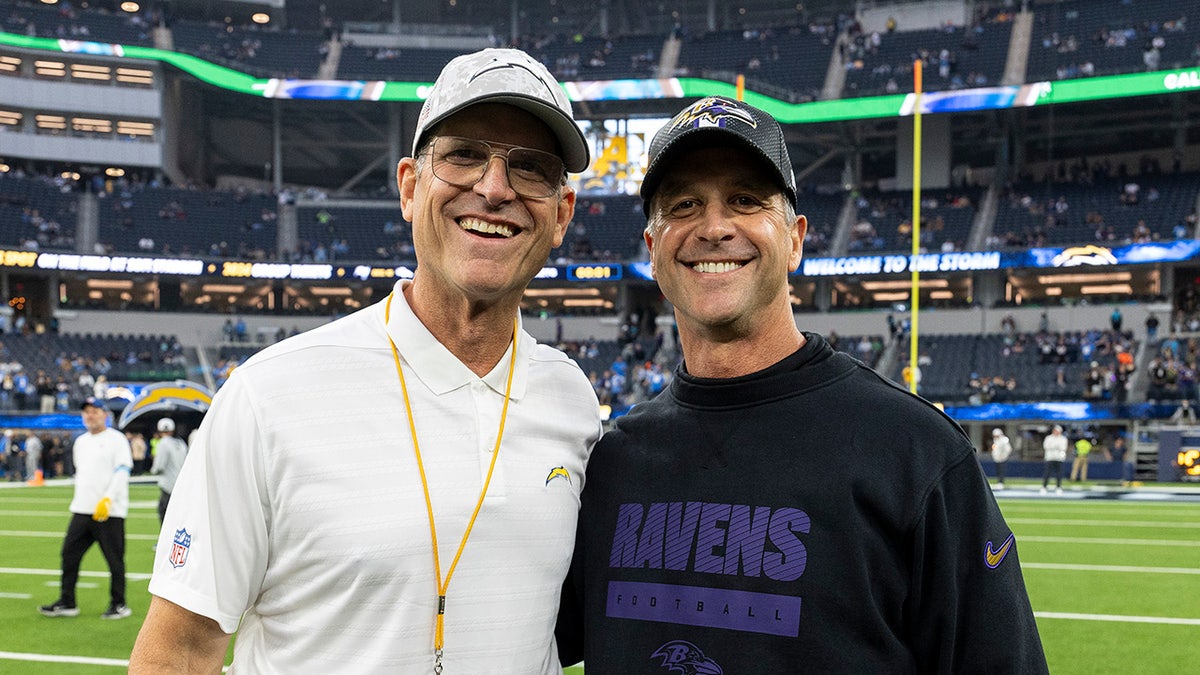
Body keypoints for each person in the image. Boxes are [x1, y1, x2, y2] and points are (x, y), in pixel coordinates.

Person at [130, 47, 602, 674]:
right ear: (410, 187)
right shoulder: (268, 396)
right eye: (463, 155)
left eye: (531, 168)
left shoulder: (570, 400)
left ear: (562, 214)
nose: (494, 189)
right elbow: (178, 651)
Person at [558, 96, 1047, 672]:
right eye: (684, 204)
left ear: (795, 238)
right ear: (652, 249)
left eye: (745, 200)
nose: (714, 227)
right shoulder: (612, 460)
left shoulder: (914, 451)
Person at [38, 396, 133, 620]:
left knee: (114, 559)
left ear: (105, 415)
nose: (90, 415)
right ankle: (67, 601)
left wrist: (108, 498)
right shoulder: (80, 441)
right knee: (69, 555)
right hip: (82, 509)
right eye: (87, 412)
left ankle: (119, 603)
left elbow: (122, 471)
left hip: (109, 512)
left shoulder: (116, 439)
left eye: (95, 411)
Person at [147, 418, 187, 525]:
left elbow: (159, 465)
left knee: (165, 514)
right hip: (180, 483)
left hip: (168, 484)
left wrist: (153, 470)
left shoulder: (163, 443)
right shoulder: (181, 443)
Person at [1041, 425, 1068, 494]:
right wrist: (1055, 447)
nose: (1056, 432)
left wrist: (1054, 447)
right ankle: (1044, 487)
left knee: (1059, 474)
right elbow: (1046, 446)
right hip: (1050, 458)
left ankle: (1058, 487)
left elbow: (1063, 448)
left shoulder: (1063, 439)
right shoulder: (1048, 438)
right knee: (1047, 473)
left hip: (1059, 458)